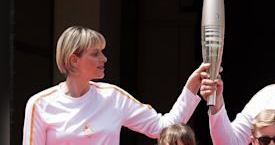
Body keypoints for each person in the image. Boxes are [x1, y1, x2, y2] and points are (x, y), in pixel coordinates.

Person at [23, 26, 209, 145]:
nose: (104, 58)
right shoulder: (39, 104)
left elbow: (163, 127)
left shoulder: (113, 97)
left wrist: (191, 88)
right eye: (95, 53)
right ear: (74, 60)